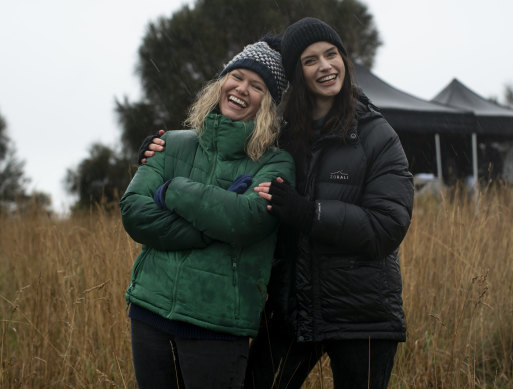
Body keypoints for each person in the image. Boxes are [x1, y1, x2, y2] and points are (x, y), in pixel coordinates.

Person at [139, 18, 414, 389]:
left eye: (332, 54)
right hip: (292, 309)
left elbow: (388, 226)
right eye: (311, 60)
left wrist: (309, 214)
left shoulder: (377, 135)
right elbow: (225, 158)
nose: (326, 66)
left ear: (345, 61)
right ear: (297, 73)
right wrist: (158, 152)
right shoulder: (283, 139)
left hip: (360, 314)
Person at [120, 36, 295, 389]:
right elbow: (134, 212)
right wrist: (208, 226)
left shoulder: (277, 163)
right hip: (149, 313)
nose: (242, 89)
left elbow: (247, 220)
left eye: (257, 85)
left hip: (218, 326)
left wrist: (173, 190)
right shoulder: (169, 143)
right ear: (221, 83)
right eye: (237, 77)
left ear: (268, 105)